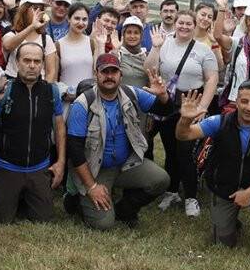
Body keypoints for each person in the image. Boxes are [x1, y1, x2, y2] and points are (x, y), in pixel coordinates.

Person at [176, 83, 250, 258]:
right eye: (244, 101)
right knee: (223, 243)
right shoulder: (220, 122)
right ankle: (232, 221)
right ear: (236, 102)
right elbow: (184, 135)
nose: (249, 107)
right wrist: (185, 119)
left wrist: (249, 192)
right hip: (224, 188)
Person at [66, 54, 172, 229]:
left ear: (120, 74)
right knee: (104, 225)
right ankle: (75, 200)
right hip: (95, 170)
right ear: (96, 74)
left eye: (113, 71)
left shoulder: (131, 93)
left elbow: (165, 110)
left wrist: (163, 96)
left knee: (160, 179)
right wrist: (92, 187)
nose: (109, 76)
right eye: (104, 71)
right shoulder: (83, 103)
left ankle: (124, 210)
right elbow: (75, 150)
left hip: (125, 165)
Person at [0, 42, 67, 224]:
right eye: (27, 60)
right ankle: (14, 195)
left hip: (39, 167)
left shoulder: (51, 91)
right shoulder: (5, 90)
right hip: (8, 167)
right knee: (1, 220)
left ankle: (27, 196)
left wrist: (61, 162)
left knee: (43, 220)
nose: (32, 65)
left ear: (42, 64)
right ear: (17, 62)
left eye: (37, 61)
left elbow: (60, 128)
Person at [146, 10, 220, 217]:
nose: (184, 27)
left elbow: (212, 80)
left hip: (192, 102)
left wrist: (202, 107)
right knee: (170, 149)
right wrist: (155, 47)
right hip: (168, 102)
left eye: (189, 23)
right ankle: (171, 191)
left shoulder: (204, 50)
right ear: (175, 24)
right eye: (181, 23)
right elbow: (149, 69)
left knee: (185, 152)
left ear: (195, 25)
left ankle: (191, 197)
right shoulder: (164, 43)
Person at [2, 0, 58, 81]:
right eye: (35, 8)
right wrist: (32, 27)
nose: (38, 12)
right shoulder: (11, 33)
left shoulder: (46, 39)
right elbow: (8, 46)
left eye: (41, 9)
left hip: (38, 85)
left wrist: (45, 91)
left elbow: (50, 71)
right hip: (13, 82)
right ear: (24, 11)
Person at [56, 2, 99, 103]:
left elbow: (96, 72)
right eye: (77, 18)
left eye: (84, 19)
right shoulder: (58, 45)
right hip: (66, 101)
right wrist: (66, 94)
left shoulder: (92, 43)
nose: (81, 23)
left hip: (90, 100)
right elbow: (54, 78)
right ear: (69, 19)